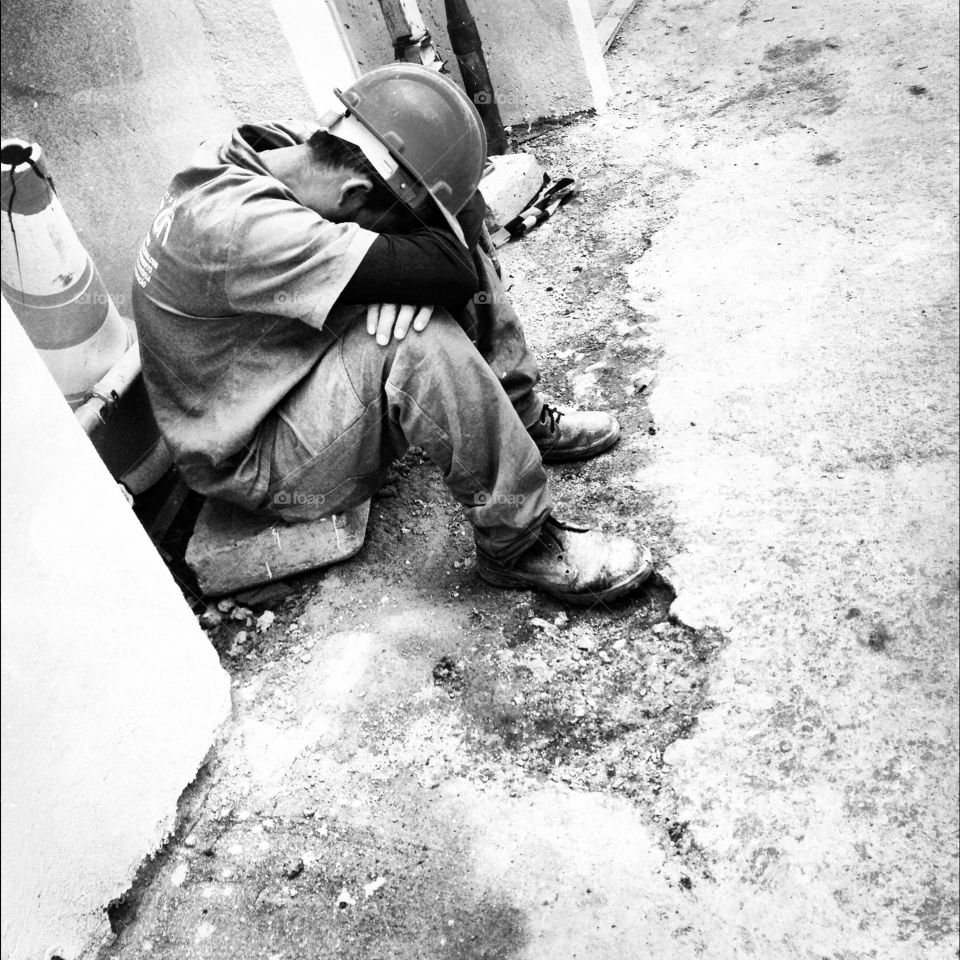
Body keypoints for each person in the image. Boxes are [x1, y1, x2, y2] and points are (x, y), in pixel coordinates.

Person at [132, 64, 653, 604]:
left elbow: (455, 233)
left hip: (284, 372)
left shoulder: (279, 148)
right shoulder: (239, 227)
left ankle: (519, 415)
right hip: (257, 455)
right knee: (415, 338)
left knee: (440, 241)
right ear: (355, 192)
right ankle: (518, 542)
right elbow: (448, 272)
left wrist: (410, 257)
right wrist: (409, 277)